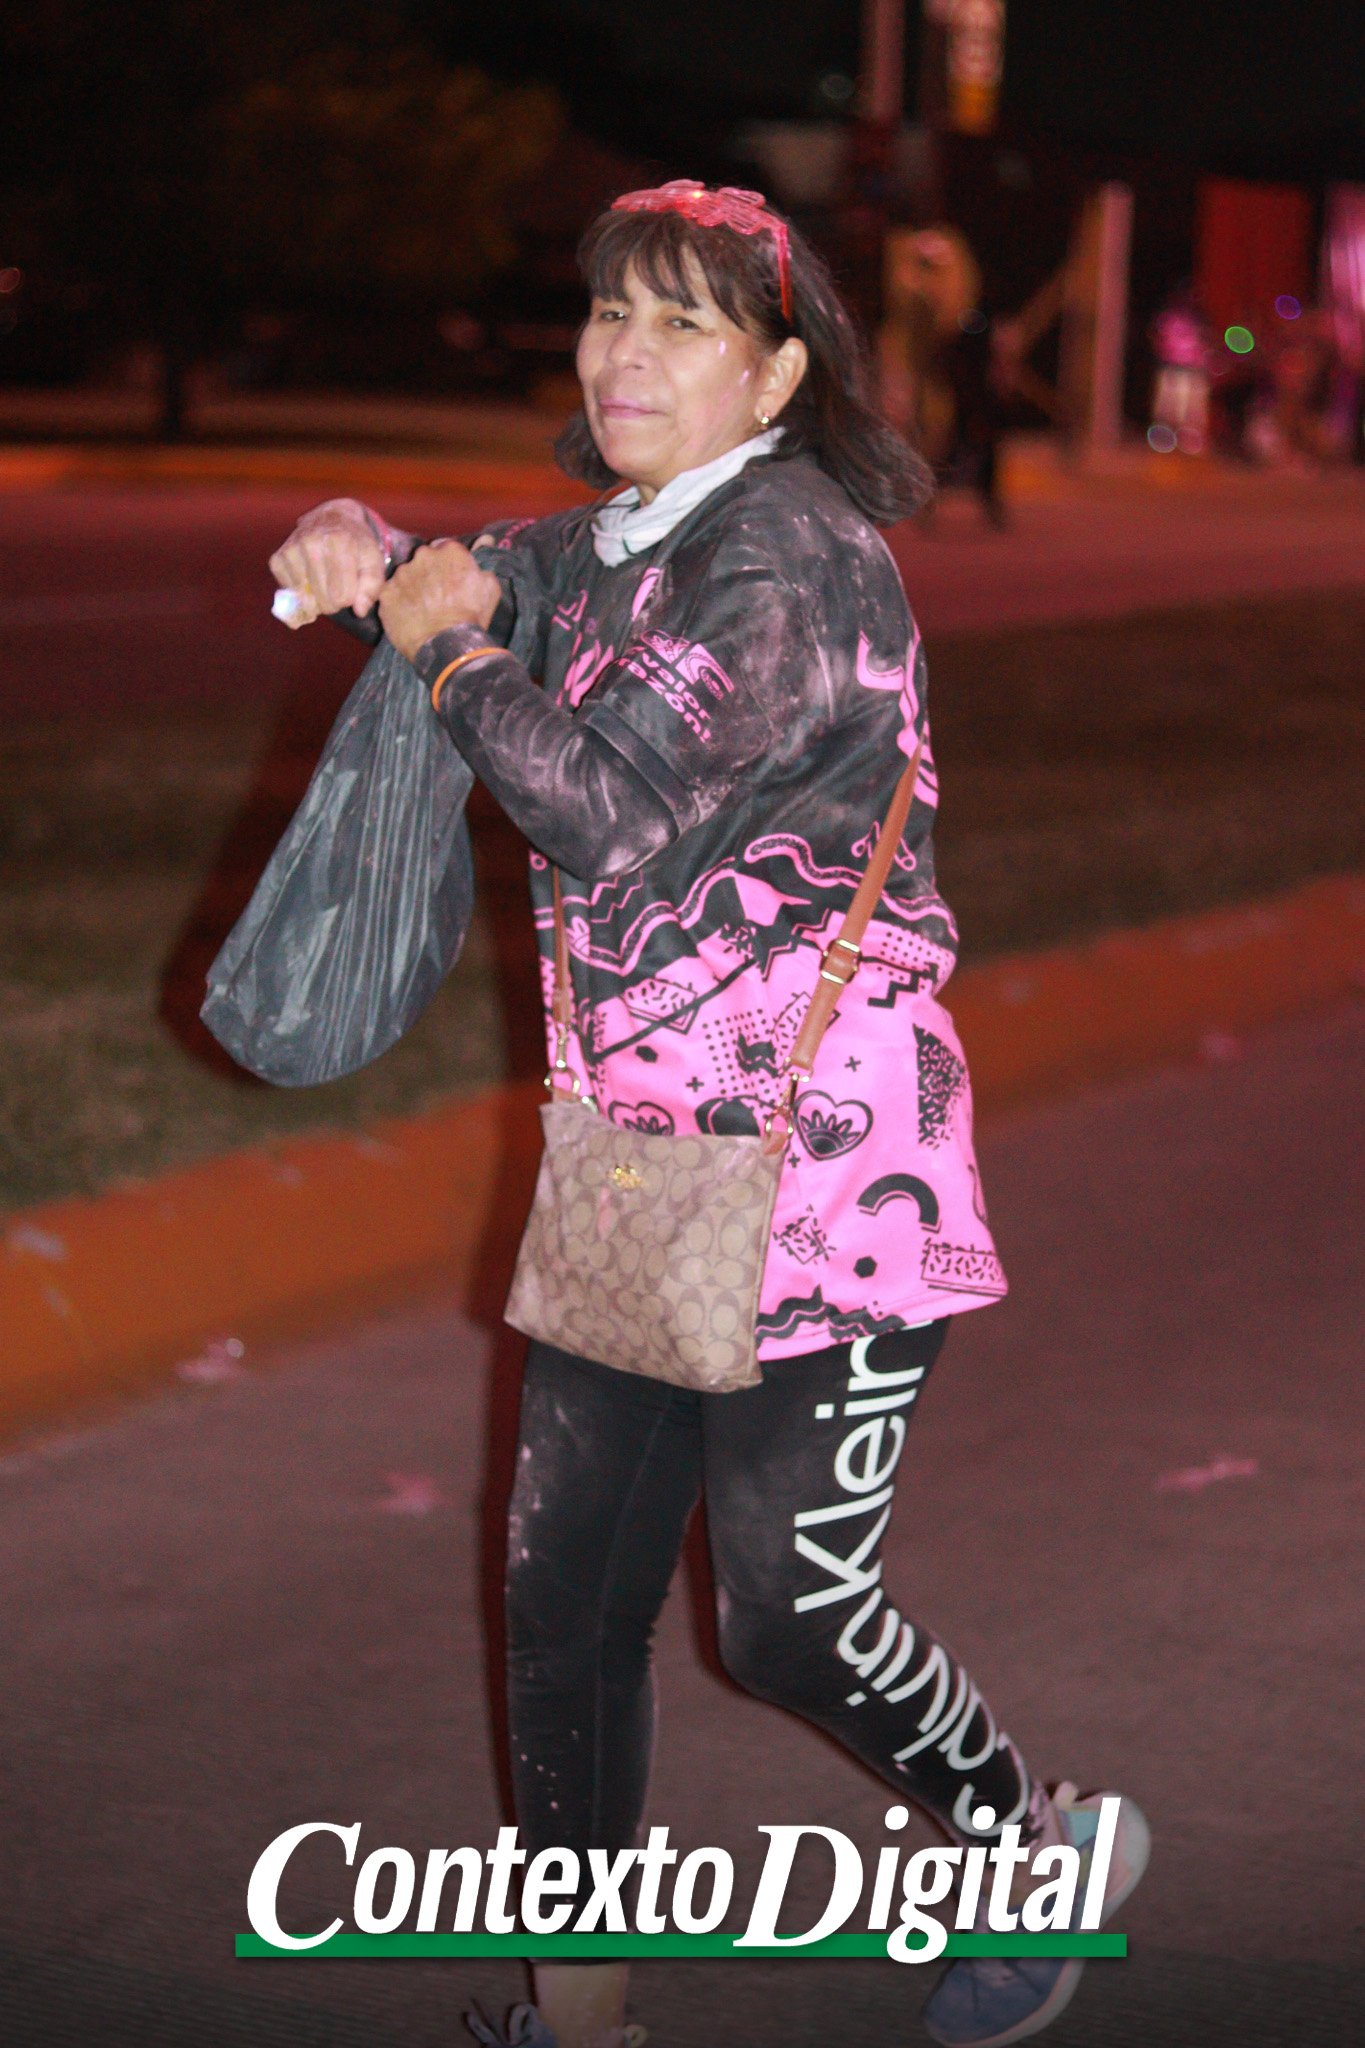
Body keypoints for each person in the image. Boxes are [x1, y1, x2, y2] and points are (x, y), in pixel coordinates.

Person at [270, 180, 1149, 2048]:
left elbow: (603, 806)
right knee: (562, 1604)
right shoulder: (619, 537)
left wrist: (443, 648)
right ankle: (576, 2018)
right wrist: (370, 557)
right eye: (610, 312)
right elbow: (475, 588)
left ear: (775, 374)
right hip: (641, 1167)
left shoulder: (793, 559)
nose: (625, 353)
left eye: (682, 323)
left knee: (786, 1621)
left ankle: (1025, 1842)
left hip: (830, 1178)